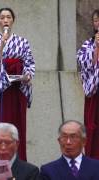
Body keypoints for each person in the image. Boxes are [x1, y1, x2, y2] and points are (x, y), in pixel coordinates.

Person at [0, 7, 35, 161]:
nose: (5, 20)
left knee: (16, 125)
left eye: (8, 17)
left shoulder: (23, 42)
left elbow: (29, 63)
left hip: (16, 89)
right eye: (2, 17)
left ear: (13, 20)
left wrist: (27, 76)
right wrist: (1, 48)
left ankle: (18, 163)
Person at [76, 9, 99, 160]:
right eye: (96, 20)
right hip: (95, 93)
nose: (98, 23)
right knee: (93, 129)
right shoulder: (88, 44)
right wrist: (96, 48)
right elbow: (82, 63)